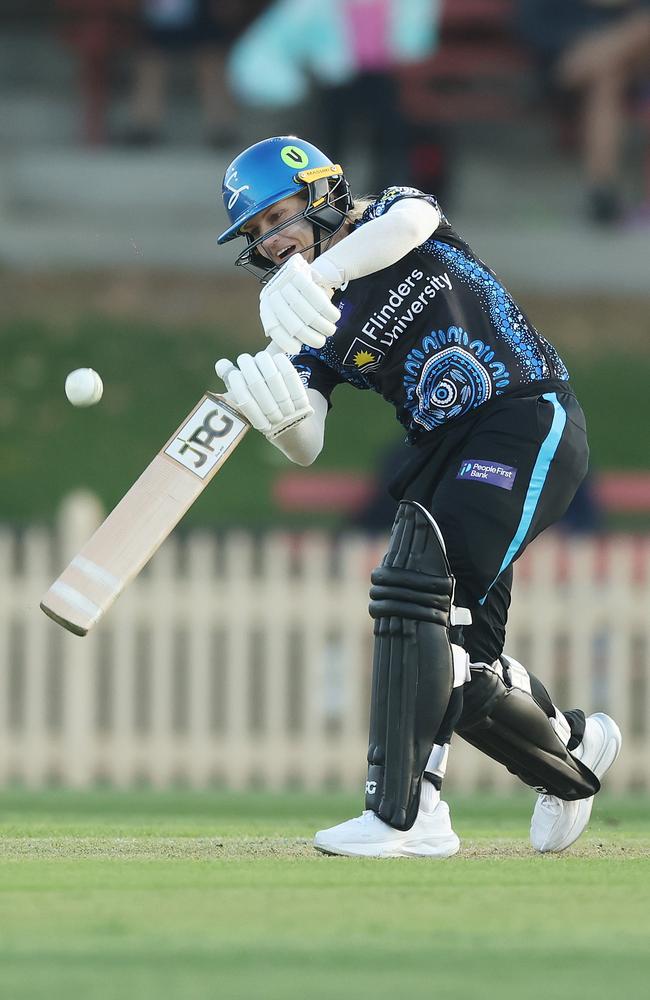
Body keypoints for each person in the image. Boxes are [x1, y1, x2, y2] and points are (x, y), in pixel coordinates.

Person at [214, 135, 622, 858]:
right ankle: (571, 752)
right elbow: (307, 437)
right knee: (463, 671)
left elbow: (410, 228)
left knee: (418, 599)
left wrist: (322, 277)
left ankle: (409, 813)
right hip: (442, 452)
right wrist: (275, 413)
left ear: (323, 193)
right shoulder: (310, 313)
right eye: (256, 234)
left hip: (524, 415)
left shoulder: (388, 213)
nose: (272, 243)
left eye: (278, 217)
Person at [516, 0, 650, 224]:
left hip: (621, 70)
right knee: (615, 64)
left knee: (608, 78)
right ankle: (602, 191)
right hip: (563, 66)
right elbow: (539, 36)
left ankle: (602, 192)